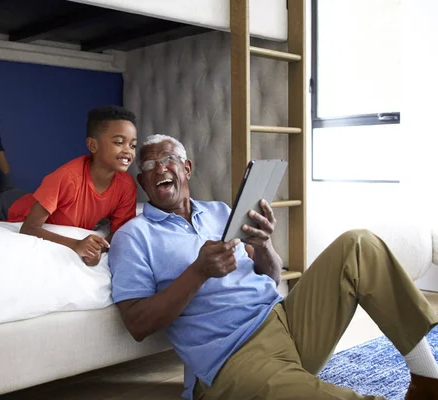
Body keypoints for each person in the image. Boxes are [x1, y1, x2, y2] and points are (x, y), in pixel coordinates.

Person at [108, 133, 438, 400]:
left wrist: (264, 244)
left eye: (169, 160)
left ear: (187, 168)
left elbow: (271, 276)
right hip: (233, 357)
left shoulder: (221, 211)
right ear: (142, 180)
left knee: (359, 244)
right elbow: (137, 324)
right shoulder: (133, 237)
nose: (159, 168)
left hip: (286, 321)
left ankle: (428, 378)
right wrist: (198, 272)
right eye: (149, 164)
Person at [0, 105, 138, 266]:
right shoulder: (68, 177)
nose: (128, 150)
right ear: (93, 145)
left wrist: (100, 248)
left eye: (133, 144)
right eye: (119, 142)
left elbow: (119, 233)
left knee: (7, 187)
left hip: (30, 199)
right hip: (9, 209)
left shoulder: (126, 186)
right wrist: (76, 245)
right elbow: (29, 227)